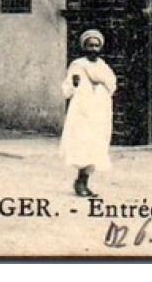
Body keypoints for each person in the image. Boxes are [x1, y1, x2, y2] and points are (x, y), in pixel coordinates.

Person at [60, 29, 116, 197]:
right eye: (90, 45)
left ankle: (84, 181)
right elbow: (66, 91)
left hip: (99, 112)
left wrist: (101, 87)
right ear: (84, 47)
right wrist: (74, 84)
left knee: (95, 146)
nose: (93, 49)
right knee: (82, 145)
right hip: (82, 113)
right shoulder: (77, 65)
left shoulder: (103, 66)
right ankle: (80, 182)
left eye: (96, 45)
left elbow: (112, 86)